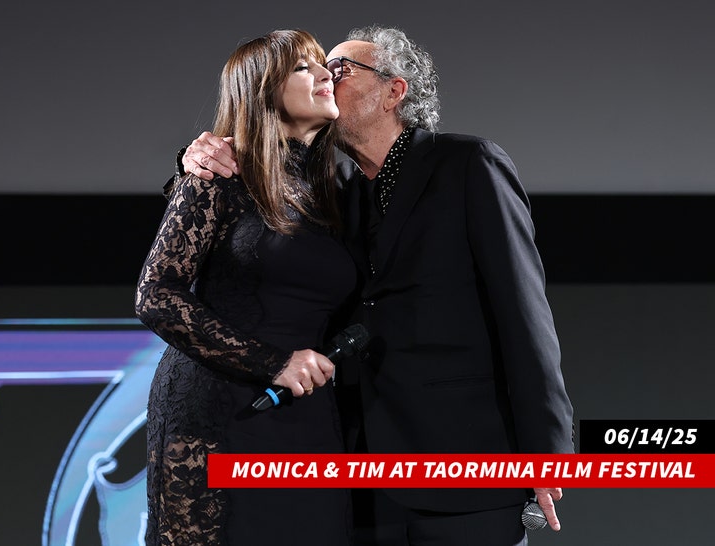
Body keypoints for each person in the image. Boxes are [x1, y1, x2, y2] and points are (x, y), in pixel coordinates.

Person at [178, 26, 574, 546]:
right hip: (361, 471)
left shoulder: (468, 164)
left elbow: (523, 312)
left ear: (394, 91)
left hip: (467, 465)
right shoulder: (333, 191)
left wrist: (548, 451)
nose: (325, 79)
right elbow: (243, 195)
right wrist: (194, 158)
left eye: (341, 69)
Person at [135, 29, 357, 546]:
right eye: (303, 67)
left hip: (305, 412)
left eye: (323, 63)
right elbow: (156, 295)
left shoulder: (334, 190)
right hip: (218, 413)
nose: (324, 74)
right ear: (262, 91)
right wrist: (272, 363)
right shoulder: (219, 172)